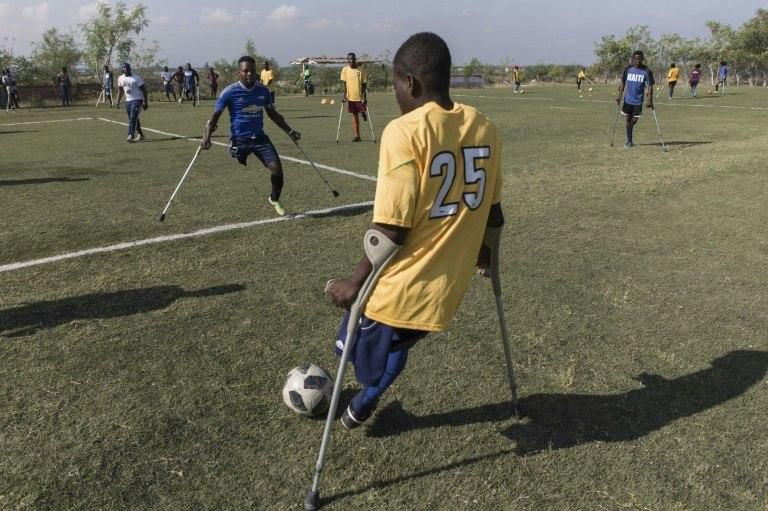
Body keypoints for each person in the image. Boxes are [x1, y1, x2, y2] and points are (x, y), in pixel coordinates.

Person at [325, 32, 504, 429]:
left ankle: (355, 402)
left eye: (396, 87)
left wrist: (353, 282)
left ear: (411, 82)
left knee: (355, 350)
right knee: (399, 341)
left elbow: (391, 229)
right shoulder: (485, 127)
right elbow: (494, 213)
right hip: (446, 289)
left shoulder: (404, 131)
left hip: (398, 288)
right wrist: (486, 256)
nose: (396, 97)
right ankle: (359, 408)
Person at [200, 56, 301, 217]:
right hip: (239, 140)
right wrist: (207, 137)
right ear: (238, 72)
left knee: (277, 169)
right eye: (245, 71)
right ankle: (236, 150)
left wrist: (290, 131)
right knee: (237, 154)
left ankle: (274, 198)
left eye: (252, 71)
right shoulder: (229, 92)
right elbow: (215, 116)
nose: (249, 74)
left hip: (259, 138)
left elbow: (273, 114)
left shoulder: (263, 91)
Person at [616, 50, 654, 149]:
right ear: (633, 59)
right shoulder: (628, 69)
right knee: (627, 118)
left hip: (638, 101)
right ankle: (629, 141)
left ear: (642, 59)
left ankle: (629, 130)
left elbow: (650, 86)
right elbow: (623, 82)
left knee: (634, 120)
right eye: (636, 59)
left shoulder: (646, 71)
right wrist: (619, 95)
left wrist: (649, 100)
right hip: (627, 99)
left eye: (640, 59)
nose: (638, 60)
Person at [115, 63, 148, 143]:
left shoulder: (136, 78)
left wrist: (145, 102)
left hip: (138, 99)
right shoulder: (120, 78)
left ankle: (131, 135)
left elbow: (144, 90)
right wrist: (118, 101)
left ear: (130, 68)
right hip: (128, 101)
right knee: (133, 118)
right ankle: (141, 135)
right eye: (124, 68)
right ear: (122, 69)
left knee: (133, 118)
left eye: (127, 68)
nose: (126, 69)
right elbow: (120, 91)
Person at [340, 52, 368, 142]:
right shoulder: (345, 70)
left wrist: (364, 97)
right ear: (348, 60)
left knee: (362, 112)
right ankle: (357, 136)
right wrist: (344, 97)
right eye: (350, 59)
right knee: (354, 116)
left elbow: (364, 85)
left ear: (355, 59)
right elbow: (344, 85)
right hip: (350, 97)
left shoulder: (361, 70)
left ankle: (363, 113)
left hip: (359, 97)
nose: (351, 60)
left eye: (353, 58)